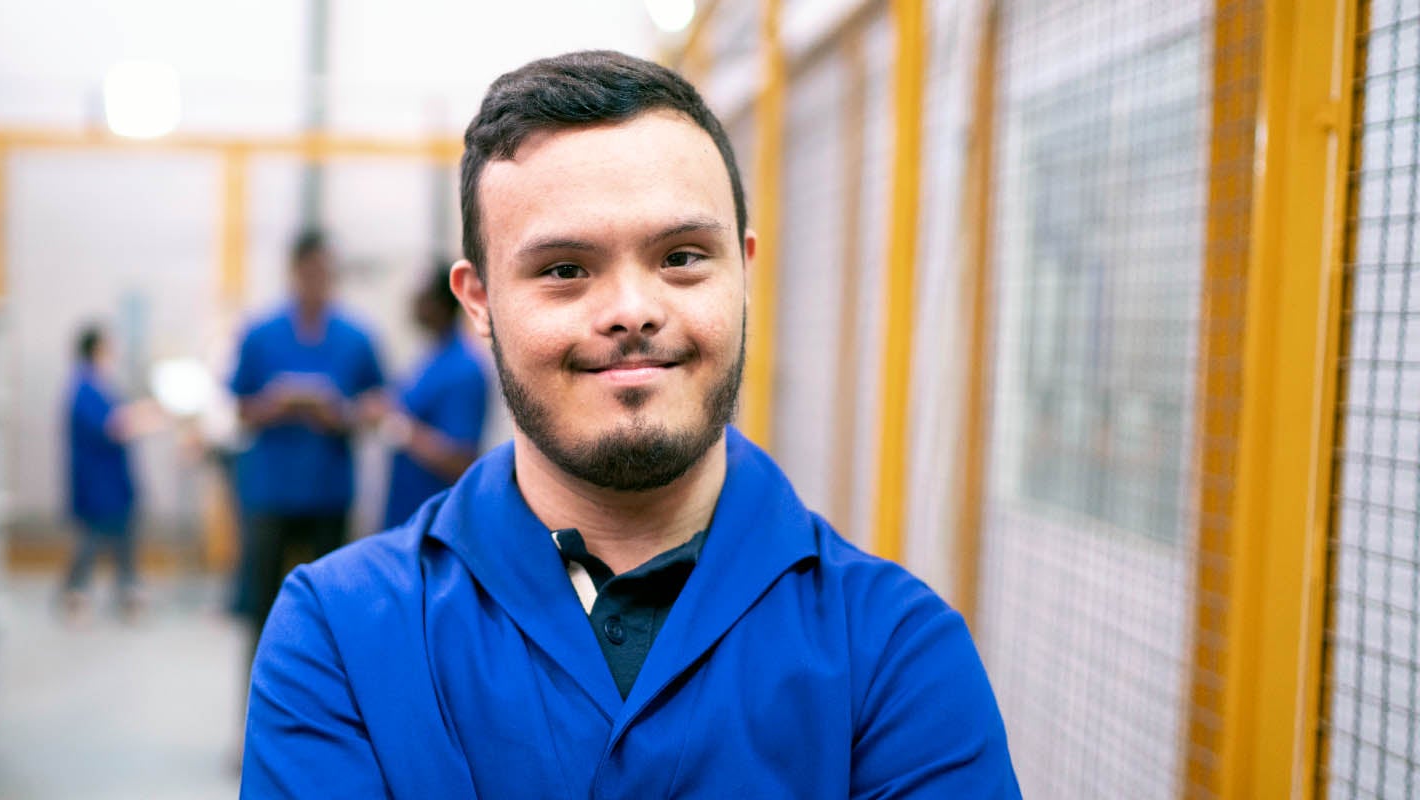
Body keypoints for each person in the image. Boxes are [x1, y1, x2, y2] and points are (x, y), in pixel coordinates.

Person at [243, 51, 1019, 797]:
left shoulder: (896, 651)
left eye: (682, 257)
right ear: (478, 301)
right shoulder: (339, 634)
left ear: (744, 272)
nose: (632, 312)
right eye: (564, 270)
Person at [228, 229, 386, 645]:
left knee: (331, 612)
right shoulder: (260, 335)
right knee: (263, 610)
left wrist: (340, 414)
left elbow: (377, 407)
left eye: (325, 271)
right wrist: (272, 406)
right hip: (271, 494)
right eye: (310, 270)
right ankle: (264, 701)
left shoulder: (356, 338)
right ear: (294, 271)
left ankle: (328, 705)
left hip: (328, 493)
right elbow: (239, 408)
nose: (318, 279)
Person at [374, 264, 492, 529]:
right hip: (406, 515)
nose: (413, 302)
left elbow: (460, 459)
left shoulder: (463, 369)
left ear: (439, 305)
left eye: (421, 296)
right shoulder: (429, 358)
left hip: (436, 523)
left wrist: (397, 427)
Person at [61, 324, 162, 621]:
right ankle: (76, 592)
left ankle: (128, 591)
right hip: (97, 480)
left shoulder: (99, 384)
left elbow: (118, 416)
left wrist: (142, 413)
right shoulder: (84, 387)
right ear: (96, 349)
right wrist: (145, 419)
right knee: (92, 538)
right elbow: (112, 425)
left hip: (113, 480)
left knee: (124, 536)